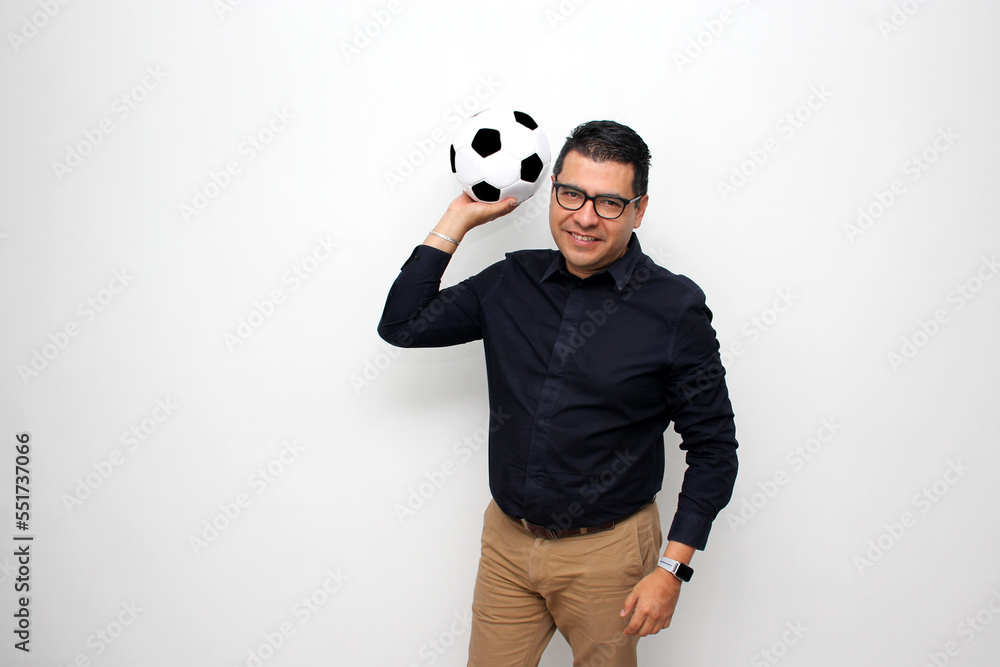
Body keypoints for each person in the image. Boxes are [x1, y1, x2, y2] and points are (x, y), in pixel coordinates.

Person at [378, 120, 738, 667]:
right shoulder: (509, 282)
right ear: (551, 191)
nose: (585, 217)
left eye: (610, 203)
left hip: (609, 553)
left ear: (639, 210)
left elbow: (714, 450)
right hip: (506, 543)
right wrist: (459, 217)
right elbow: (402, 324)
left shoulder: (675, 309)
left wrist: (671, 570)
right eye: (571, 194)